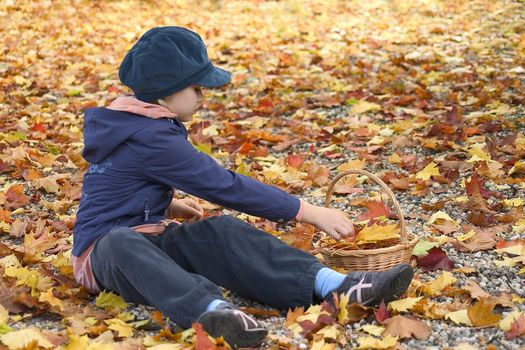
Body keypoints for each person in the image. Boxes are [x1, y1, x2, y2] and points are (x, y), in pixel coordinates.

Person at [71, 26, 413, 348]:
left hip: (151, 235)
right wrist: (306, 211)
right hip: (102, 256)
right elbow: (224, 186)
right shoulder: (150, 135)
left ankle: (334, 285)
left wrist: (167, 206)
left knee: (220, 229)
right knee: (120, 241)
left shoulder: (139, 122)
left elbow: (117, 183)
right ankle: (211, 311)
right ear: (167, 93)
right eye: (197, 89)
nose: (204, 98)